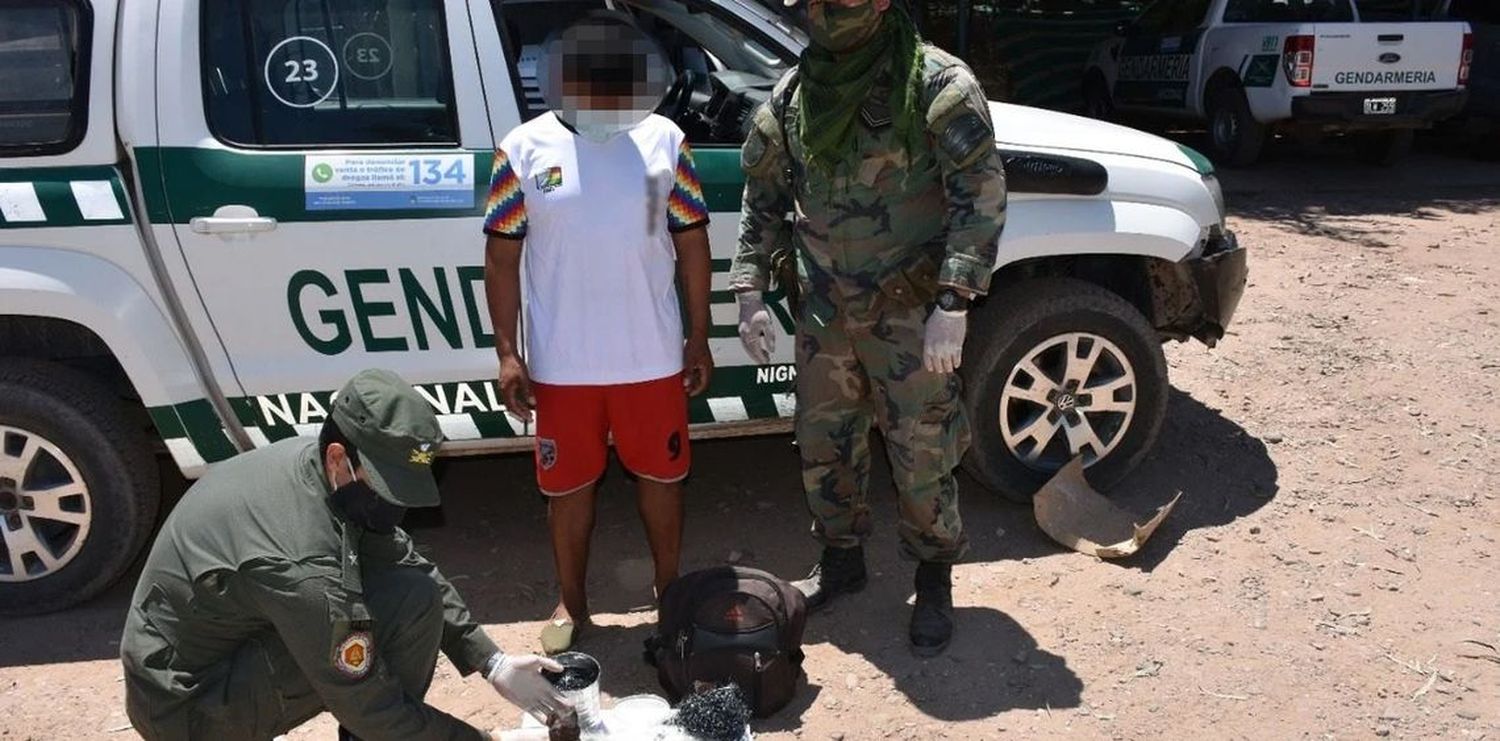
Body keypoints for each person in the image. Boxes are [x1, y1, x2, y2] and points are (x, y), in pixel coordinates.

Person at [729, 0, 1006, 656]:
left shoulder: (936, 85)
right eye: (810, 3)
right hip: (824, 314)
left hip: (908, 315)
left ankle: (933, 575)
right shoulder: (798, 92)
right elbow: (762, 196)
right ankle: (842, 558)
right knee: (825, 443)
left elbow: (981, 193)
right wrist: (749, 293)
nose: (823, 13)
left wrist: (955, 301)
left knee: (923, 448)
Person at [120, 369, 568, 740]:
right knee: (360, 668)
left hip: (232, 640)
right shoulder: (302, 566)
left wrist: (493, 662)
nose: (397, 506)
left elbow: (409, 565)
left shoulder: (320, 470)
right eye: (386, 487)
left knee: (413, 596)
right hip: (186, 703)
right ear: (339, 458)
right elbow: (365, 699)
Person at [481, 13, 714, 654]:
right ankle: (572, 602)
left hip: (651, 357)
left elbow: (690, 243)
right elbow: (501, 258)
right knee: (568, 490)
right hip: (563, 365)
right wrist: (509, 353)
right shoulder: (522, 149)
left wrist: (699, 335)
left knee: (662, 481)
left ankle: (670, 593)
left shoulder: (666, 142)